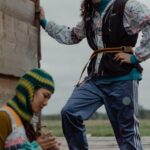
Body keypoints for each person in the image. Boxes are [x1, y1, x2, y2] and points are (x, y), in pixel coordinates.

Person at [40, 0, 150, 149]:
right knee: (70, 112)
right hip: (95, 80)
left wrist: (136, 57)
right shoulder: (90, 15)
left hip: (123, 80)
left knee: (127, 131)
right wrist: (44, 22)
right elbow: (71, 35)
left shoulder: (127, 6)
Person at [0, 68, 61, 150]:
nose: (46, 103)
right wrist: (35, 147)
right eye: (45, 96)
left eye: (48, 98)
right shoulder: (4, 116)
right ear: (29, 90)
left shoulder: (28, 122)